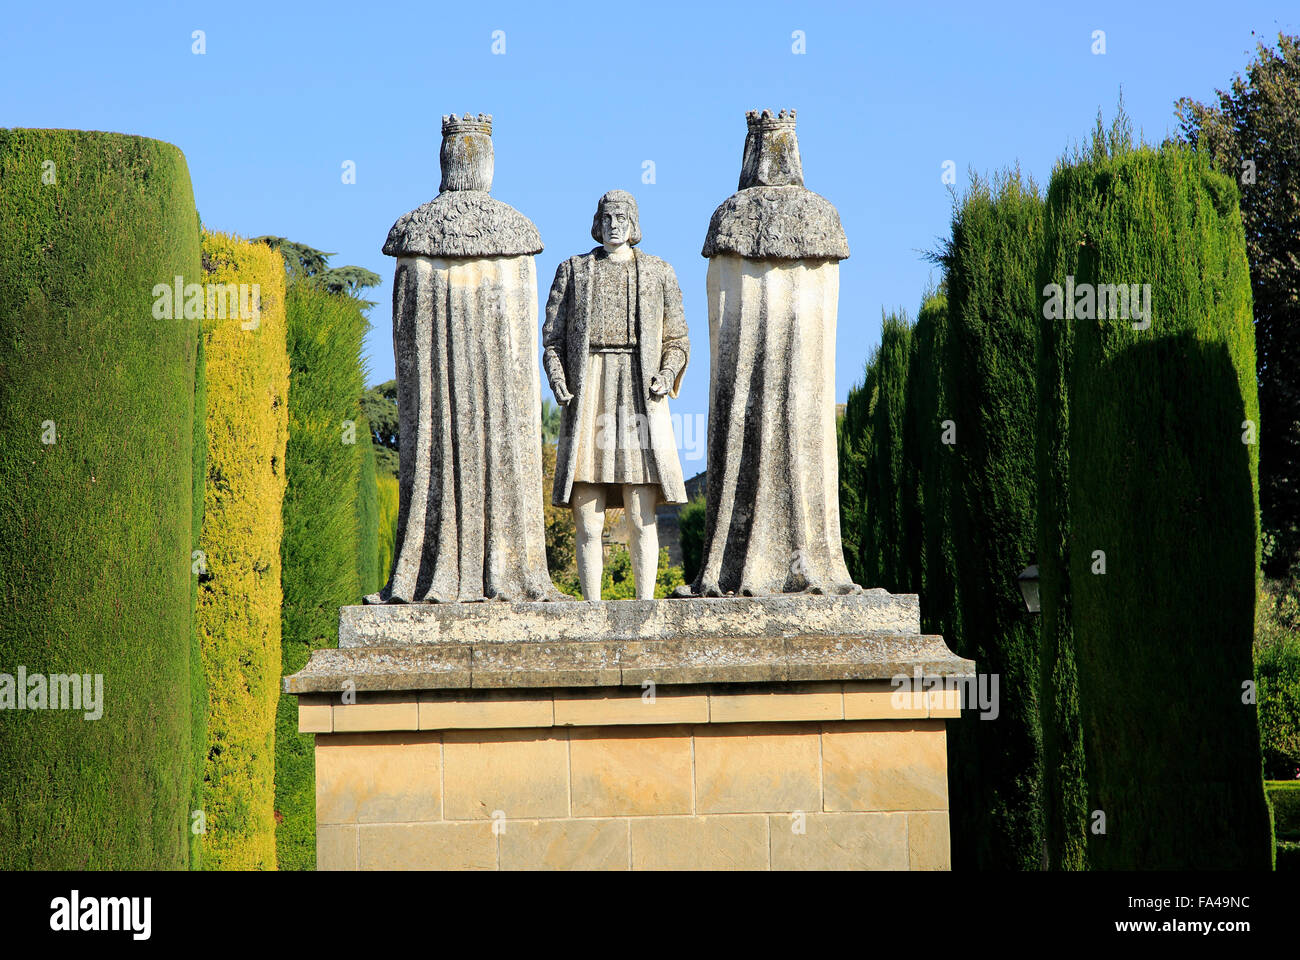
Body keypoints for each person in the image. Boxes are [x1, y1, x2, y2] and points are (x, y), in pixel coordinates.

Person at [543, 190, 689, 600]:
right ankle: (591, 607)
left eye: (622, 218)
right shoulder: (573, 270)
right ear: (597, 222)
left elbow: (677, 339)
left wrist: (666, 372)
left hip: (640, 392)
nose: (614, 225)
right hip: (588, 390)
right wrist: (558, 377)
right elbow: (552, 340)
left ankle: (645, 605)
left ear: (634, 224)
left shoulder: (660, 272)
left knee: (642, 514)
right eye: (607, 217)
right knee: (587, 518)